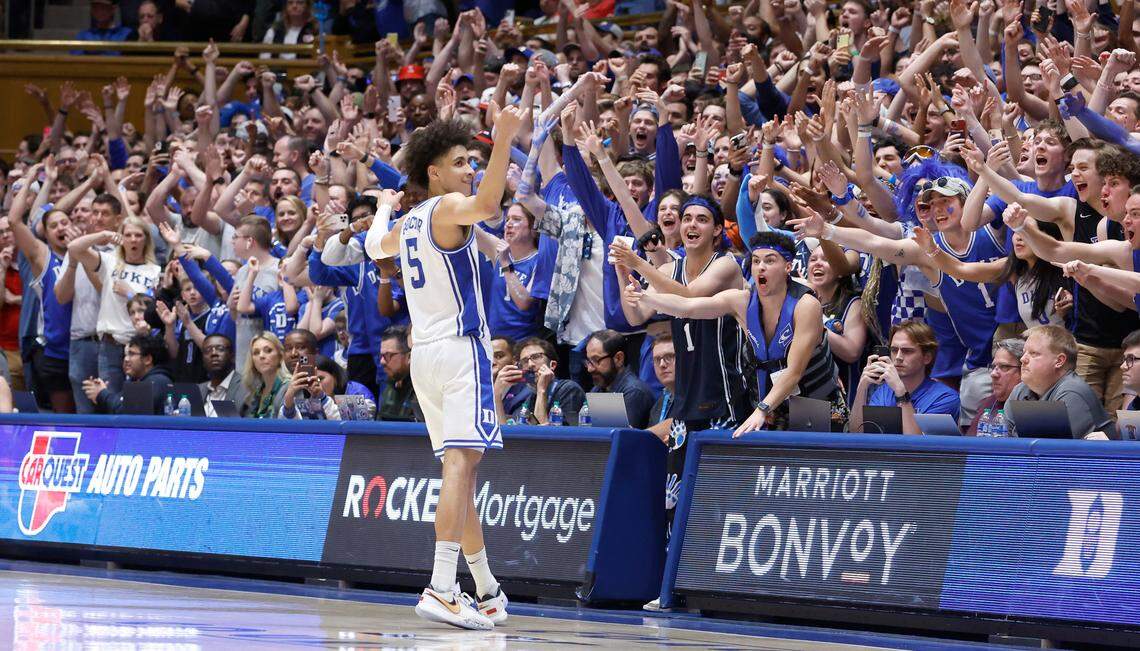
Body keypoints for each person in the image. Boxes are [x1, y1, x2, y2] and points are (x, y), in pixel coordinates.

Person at [364, 111, 526, 630]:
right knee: (460, 468)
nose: (469, 170)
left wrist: (383, 209)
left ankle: (487, 589)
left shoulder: (408, 222)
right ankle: (440, 586)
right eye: (459, 163)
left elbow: (373, 247)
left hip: (425, 358)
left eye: (472, 162)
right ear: (433, 173)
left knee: (462, 472)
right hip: (460, 351)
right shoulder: (451, 207)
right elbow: (489, 205)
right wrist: (502, 138)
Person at [625, 232, 847, 434]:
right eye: (757, 261)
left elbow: (794, 372)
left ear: (788, 267)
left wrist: (761, 409)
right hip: (770, 403)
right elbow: (688, 307)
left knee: (812, 468)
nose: (761, 267)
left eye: (770, 261)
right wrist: (645, 297)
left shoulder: (805, 305)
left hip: (814, 401)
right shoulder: (741, 301)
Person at [850, 321, 961, 435]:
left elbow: (917, 446)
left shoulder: (945, 398)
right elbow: (857, 433)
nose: (898, 357)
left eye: (907, 351)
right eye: (894, 350)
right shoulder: (883, 393)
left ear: (927, 357)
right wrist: (862, 387)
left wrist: (900, 392)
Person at [1005, 325, 1114, 439]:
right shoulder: (1020, 389)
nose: (1023, 359)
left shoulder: (1072, 392)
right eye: (1024, 352)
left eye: (1033, 353)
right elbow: (1001, 436)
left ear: (1059, 361)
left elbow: (1051, 449)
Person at [494, 337, 586, 425]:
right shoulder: (531, 397)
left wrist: (542, 390)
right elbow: (508, 432)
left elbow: (544, 437)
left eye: (536, 357)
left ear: (552, 365)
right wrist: (497, 395)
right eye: (525, 361)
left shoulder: (569, 389)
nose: (530, 365)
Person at [583, 329, 657, 429]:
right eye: (588, 361)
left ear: (618, 358)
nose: (589, 369)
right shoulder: (597, 389)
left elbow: (624, 438)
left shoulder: (634, 391)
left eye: (596, 360)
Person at [81, 335, 173, 414]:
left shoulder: (158, 381)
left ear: (147, 359)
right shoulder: (134, 381)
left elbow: (127, 411)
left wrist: (102, 394)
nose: (126, 359)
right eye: (126, 355)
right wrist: (99, 396)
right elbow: (117, 408)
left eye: (132, 354)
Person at [966, 339, 1025, 435]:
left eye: (1004, 367)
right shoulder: (989, 403)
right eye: (993, 367)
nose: (993, 374)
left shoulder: (1030, 407)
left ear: (1024, 370)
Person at [240, 331, 291, 418]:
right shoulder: (255, 393)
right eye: (256, 353)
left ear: (280, 355)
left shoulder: (290, 387)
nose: (261, 356)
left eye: (268, 351)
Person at [198, 334, 249, 416]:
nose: (213, 353)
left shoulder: (247, 388)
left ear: (233, 356)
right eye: (207, 350)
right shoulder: (198, 390)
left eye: (220, 349)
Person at [377, 325, 418, 421]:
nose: (382, 362)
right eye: (381, 356)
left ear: (409, 357)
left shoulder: (422, 390)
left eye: (388, 355)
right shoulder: (390, 385)